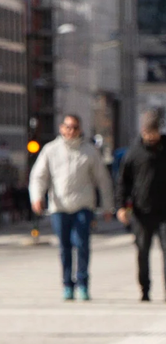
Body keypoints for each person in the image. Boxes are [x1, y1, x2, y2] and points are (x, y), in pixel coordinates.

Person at [28, 113, 113, 300]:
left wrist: (108, 206)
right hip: (59, 207)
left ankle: (82, 283)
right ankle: (67, 284)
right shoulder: (51, 150)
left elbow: (103, 180)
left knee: (82, 244)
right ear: (61, 128)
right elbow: (38, 176)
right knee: (64, 247)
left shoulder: (90, 151)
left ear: (80, 129)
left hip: (83, 205)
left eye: (75, 127)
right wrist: (37, 197)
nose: (71, 131)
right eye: (68, 127)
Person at [116, 110, 166, 303]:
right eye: (147, 132)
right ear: (142, 131)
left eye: (154, 132)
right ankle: (145, 288)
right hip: (142, 212)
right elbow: (123, 182)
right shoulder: (133, 153)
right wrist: (121, 206)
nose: (151, 136)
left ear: (159, 131)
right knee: (142, 251)